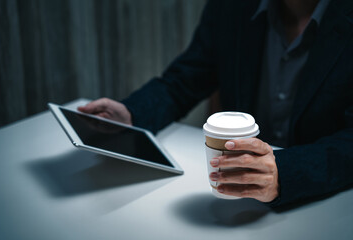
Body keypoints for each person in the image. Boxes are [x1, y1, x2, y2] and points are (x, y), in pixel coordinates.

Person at [78, 0, 353, 207]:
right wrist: (131, 113)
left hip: (325, 202)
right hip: (231, 201)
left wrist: (287, 172)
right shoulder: (231, 7)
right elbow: (185, 79)